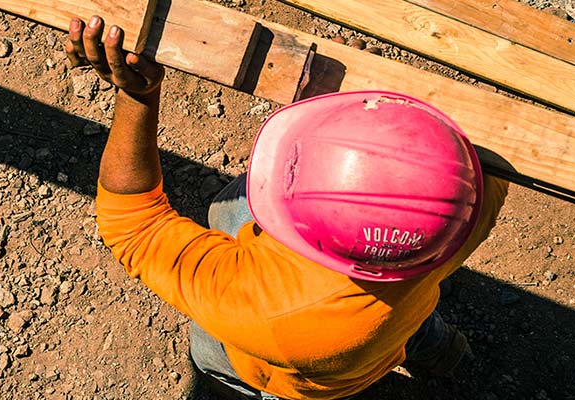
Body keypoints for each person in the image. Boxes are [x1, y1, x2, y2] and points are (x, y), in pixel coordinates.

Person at [64, 15, 508, 400]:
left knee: (211, 354)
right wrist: (356, 108)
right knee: (411, 323)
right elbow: (420, 153)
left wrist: (138, 96)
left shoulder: (271, 314)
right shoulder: (473, 196)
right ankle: (443, 350)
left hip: (307, 373)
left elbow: (134, 226)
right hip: (401, 312)